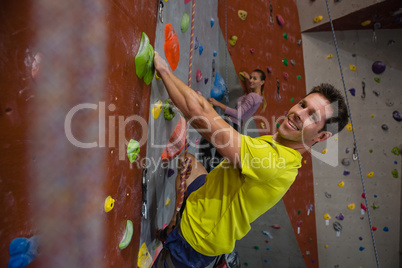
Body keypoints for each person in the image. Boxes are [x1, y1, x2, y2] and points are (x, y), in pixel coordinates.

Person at [152, 52, 348, 268]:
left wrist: (163, 70)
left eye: (312, 116)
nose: (299, 114)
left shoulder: (274, 161)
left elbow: (199, 112)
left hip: (196, 240)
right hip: (209, 198)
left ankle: (174, 234)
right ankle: (174, 220)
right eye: (303, 105)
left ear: (321, 136)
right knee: (189, 161)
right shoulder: (284, 149)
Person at [200, 69, 266, 171]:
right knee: (218, 159)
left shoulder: (252, 96)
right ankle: (208, 177)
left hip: (231, 123)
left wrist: (218, 104)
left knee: (205, 144)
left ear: (262, 82)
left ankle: (206, 174)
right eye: (251, 77)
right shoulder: (259, 97)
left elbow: (238, 113)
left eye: (255, 78)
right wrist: (249, 79)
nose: (251, 80)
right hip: (234, 127)